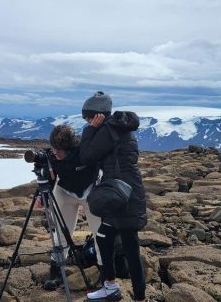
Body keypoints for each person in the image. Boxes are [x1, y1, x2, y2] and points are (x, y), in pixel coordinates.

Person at [79, 91, 147, 302]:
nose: (88, 121)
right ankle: (110, 286)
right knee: (104, 237)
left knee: (130, 247)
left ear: (98, 115)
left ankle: (139, 298)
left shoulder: (107, 129)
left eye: (89, 117)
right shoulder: (118, 125)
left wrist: (90, 130)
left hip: (123, 194)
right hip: (121, 191)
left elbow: (87, 156)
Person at [35, 124, 103, 290]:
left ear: (70, 148)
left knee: (100, 232)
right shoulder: (52, 156)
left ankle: (105, 271)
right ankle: (56, 270)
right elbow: (48, 177)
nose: (55, 152)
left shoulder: (86, 150)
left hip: (92, 190)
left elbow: (104, 164)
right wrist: (40, 194)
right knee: (61, 231)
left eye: (59, 149)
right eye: (54, 148)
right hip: (65, 191)